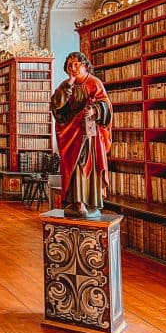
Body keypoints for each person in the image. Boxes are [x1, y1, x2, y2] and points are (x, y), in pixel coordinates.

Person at [51, 52, 112, 218]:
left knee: (87, 167)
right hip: (70, 134)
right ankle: (75, 201)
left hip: (89, 135)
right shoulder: (65, 85)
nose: (73, 68)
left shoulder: (94, 83)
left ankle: (89, 202)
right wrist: (68, 85)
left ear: (85, 65)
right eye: (70, 65)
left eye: (77, 64)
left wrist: (94, 109)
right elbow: (57, 106)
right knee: (73, 166)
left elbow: (106, 105)